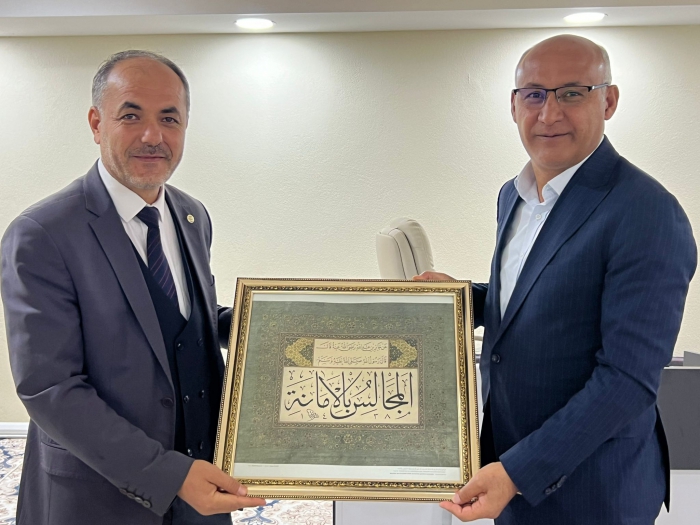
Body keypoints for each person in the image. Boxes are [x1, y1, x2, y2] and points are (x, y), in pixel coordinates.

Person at [417, 35, 697, 524]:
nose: (549, 114)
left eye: (572, 93)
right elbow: (538, 297)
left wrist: (516, 472)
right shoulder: (513, 195)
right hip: (510, 467)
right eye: (534, 95)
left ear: (608, 101)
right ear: (513, 105)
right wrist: (461, 300)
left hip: (594, 492)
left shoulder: (647, 211)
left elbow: (627, 382)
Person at [1, 50, 266, 525]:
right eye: (131, 116)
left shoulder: (192, 214)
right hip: (98, 497)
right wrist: (168, 475)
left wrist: (276, 324)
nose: (153, 136)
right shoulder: (42, 233)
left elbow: (186, 322)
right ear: (96, 123)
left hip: (203, 488)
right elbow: (50, 387)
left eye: (169, 118)